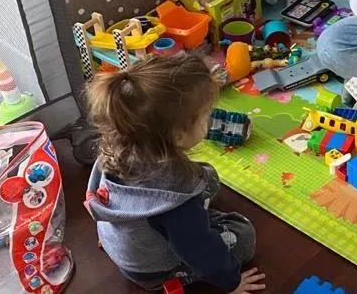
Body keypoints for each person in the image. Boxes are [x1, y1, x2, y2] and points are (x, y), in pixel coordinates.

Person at [84, 54, 266, 293]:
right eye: (204, 117)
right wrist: (231, 282)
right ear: (178, 136)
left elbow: (93, 194)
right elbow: (198, 250)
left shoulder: (116, 145)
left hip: (121, 238)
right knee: (243, 234)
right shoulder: (175, 190)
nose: (209, 121)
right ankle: (172, 273)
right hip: (151, 269)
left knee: (206, 175)